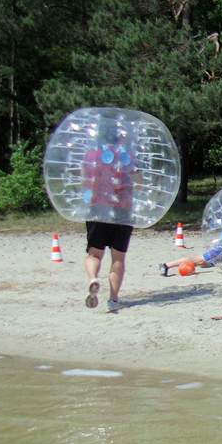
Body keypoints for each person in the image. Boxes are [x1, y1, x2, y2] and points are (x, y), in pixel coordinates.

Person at [82, 123, 136, 312]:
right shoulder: (126, 156)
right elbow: (138, 179)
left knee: (94, 253)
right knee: (118, 258)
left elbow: (85, 182)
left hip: (97, 209)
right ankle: (113, 299)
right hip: (123, 210)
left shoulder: (90, 156)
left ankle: (93, 279)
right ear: (118, 137)